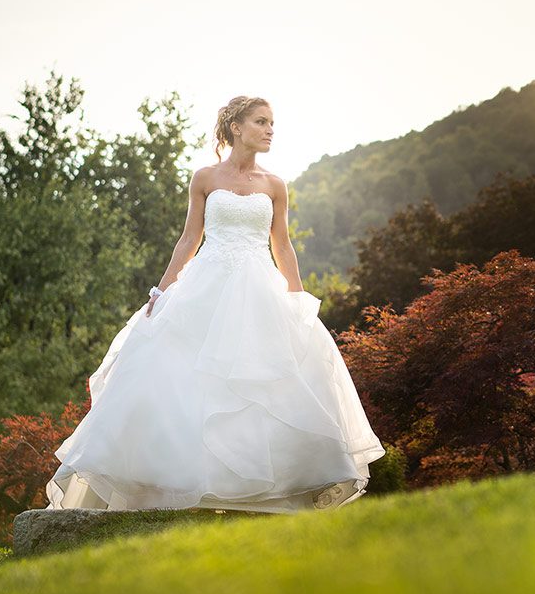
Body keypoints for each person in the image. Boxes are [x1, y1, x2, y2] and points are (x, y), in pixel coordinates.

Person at [45, 96, 387, 513]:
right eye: (261, 122)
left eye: (272, 123)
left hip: (259, 287)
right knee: (184, 377)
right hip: (206, 284)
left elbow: (282, 244)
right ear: (236, 127)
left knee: (264, 382)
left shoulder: (275, 185)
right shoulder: (205, 177)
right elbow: (189, 239)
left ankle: (266, 491)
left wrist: (297, 299)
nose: (270, 129)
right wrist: (162, 290)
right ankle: (181, 487)